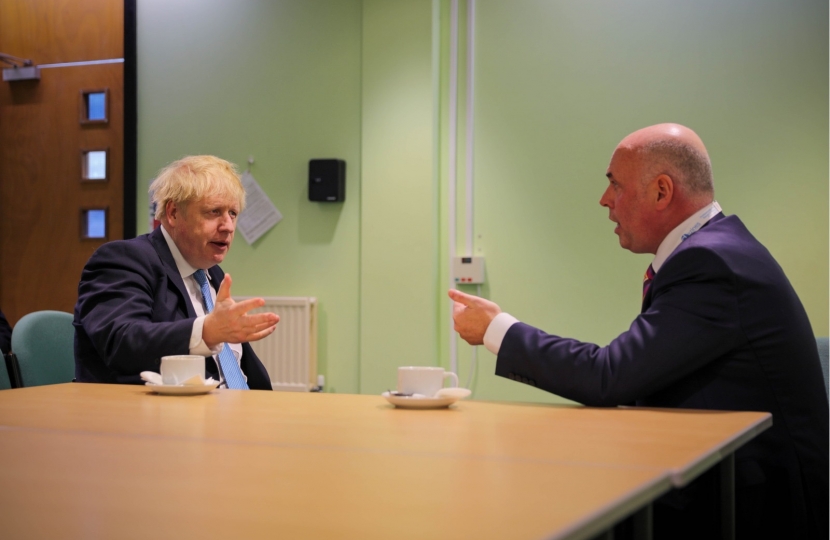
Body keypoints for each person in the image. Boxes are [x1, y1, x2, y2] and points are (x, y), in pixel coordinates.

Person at [449, 124, 828, 539]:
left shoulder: (712, 265)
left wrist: (496, 329)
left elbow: (610, 376)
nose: (604, 200)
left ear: (662, 192)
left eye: (615, 185)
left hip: (752, 505)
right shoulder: (716, 250)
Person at [74, 155, 279, 390]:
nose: (228, 226)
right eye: (214, 211)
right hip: (153, 419)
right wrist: (206, 332)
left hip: (237, 412)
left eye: (233, 213)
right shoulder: (124, 260)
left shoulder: (213, 275)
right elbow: (121, 341)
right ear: (172, 213)